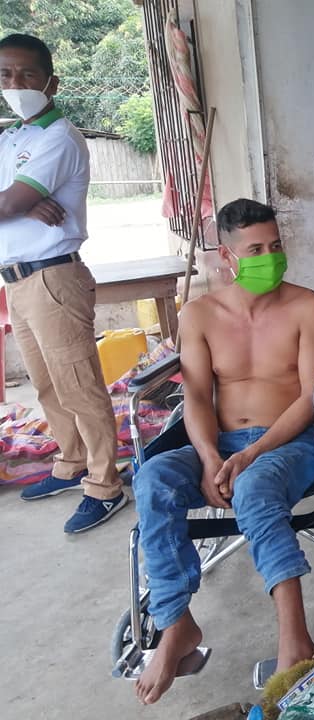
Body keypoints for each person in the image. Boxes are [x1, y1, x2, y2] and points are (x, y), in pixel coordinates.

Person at [133, 198, 314, 704]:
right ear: (227, 257)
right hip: (220, 441)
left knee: (254, 485)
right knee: (153, 479)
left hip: (290, 441)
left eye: (276, 245)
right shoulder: (200, 315)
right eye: (255, 250)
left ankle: (296, 639)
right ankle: (176, 623)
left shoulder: (310, 309)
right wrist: (208, 457)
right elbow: (197, 398)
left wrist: (251, 455)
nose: (270, 257)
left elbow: (311, 399)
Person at [0, 33, 126, 532]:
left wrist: (17, 202)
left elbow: (8, 201)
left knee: (78, 385)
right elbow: (10, 200)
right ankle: (71, 462)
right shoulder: (12, 138)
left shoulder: (59, 137)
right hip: (18, 282)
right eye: (5, 75)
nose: (16, 84)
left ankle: (105, 484)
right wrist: (21, 202)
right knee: (47, 384)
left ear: (51, 82)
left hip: (53, 276)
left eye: (27, 74)